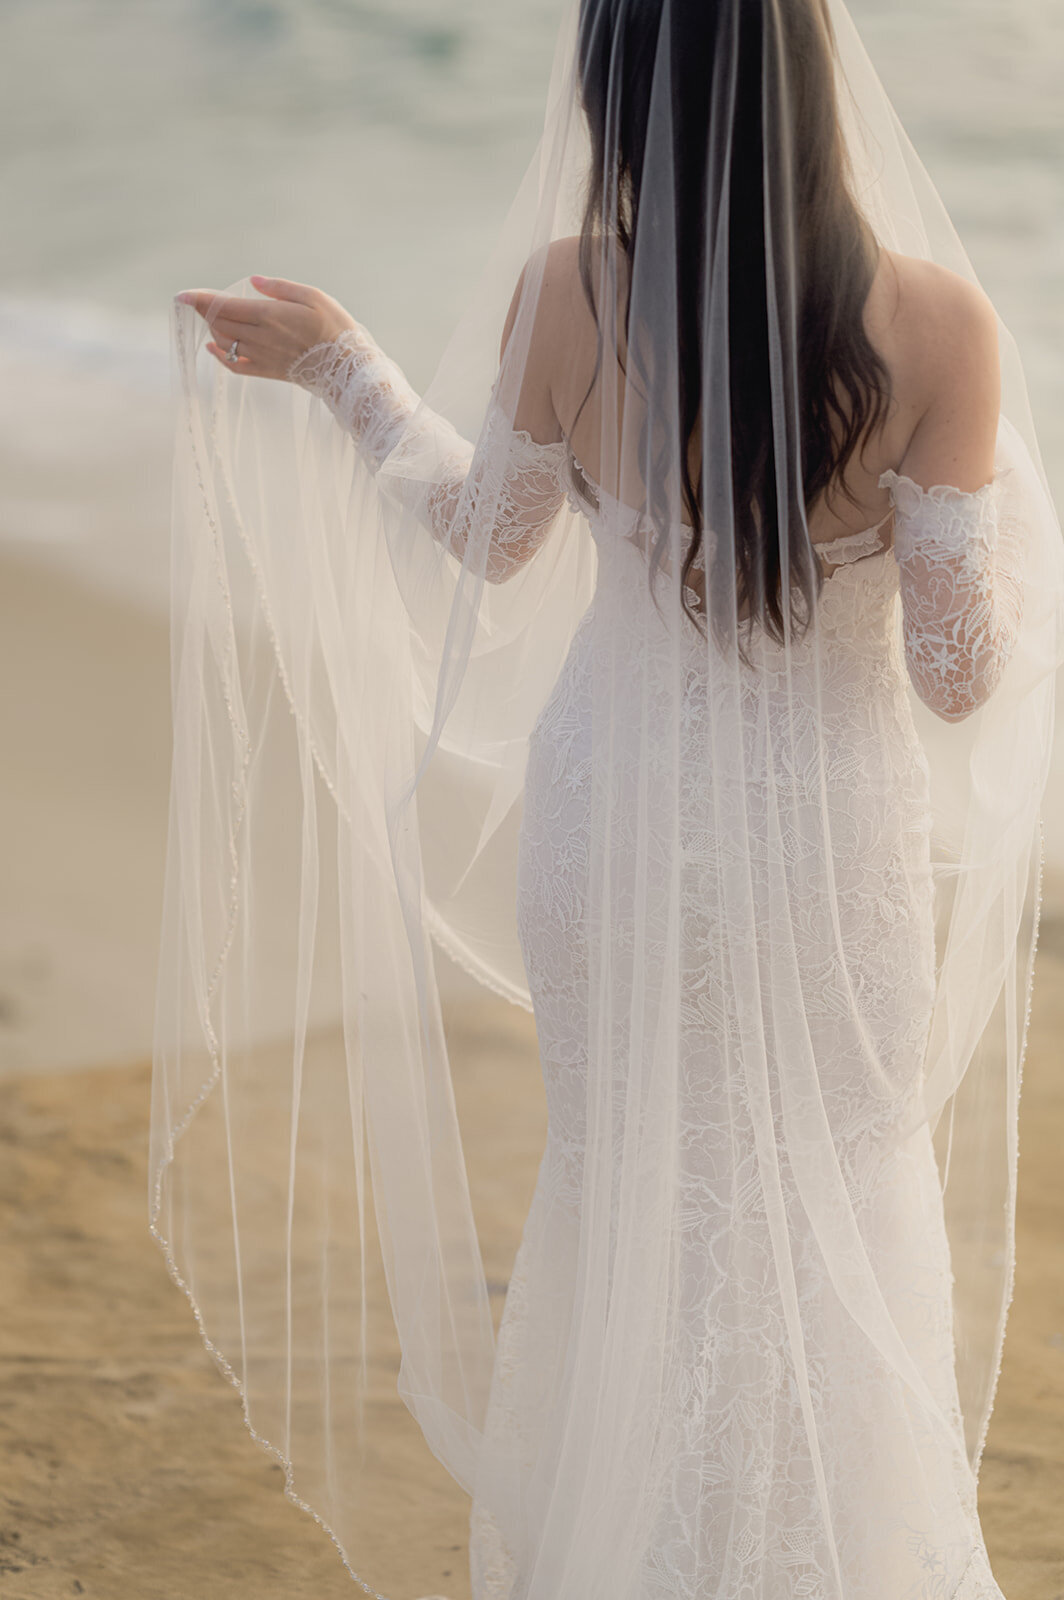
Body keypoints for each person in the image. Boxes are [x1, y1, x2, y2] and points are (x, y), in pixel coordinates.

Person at [157, 1, 1062, 1596]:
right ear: (814, 79)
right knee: (842, 1204)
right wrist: (981, 527)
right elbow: (958, 673)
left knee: (630, 1186)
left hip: (616, 819)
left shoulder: (569, 292)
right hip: (826, 853)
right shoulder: (941, 326)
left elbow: (489, 536)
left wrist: (344, 373)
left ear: (612, 83)